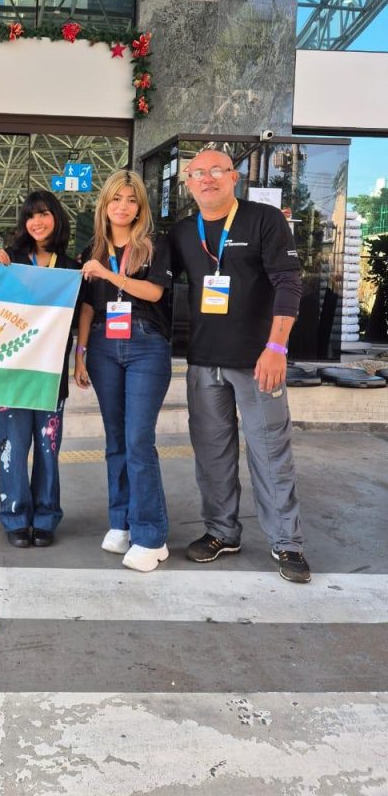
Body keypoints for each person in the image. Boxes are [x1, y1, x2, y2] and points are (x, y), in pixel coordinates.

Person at [169, 146, 310, 583]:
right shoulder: (181, 233)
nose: (207, 179)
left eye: (217, 171)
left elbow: (289, 282)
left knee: (270, 453)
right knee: (212, 455)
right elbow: (149, 277)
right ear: (188, 183)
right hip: (202, 362)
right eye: (198, 173)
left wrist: (277, 348)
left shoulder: (263, 221)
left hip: (257, 360)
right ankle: (221, 531)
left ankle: (286, 542)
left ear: (235, 177)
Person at [75, 169, 173, 572]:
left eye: (131, 200)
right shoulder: (92, 248)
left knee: (138, 440)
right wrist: (80, 353)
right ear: (105, 204)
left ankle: (151, 535)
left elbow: (154, 292)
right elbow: (87, 306)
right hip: (101, 346)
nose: (123, 206)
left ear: (140, 207)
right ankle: (121, 521)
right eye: (117, 198)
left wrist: (111, 274)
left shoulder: (153, 246)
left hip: (146, 344)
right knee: (115, 439)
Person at [0, 191, 79, 548]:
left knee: (47, 447)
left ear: (56, 218)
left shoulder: (71, 268)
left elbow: (79, 319)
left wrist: (82, 358)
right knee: (11, 445)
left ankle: (45, 516)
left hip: (50, 373)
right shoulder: (9, 260)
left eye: (43, 214)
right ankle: (14, 516)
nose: (37, 222)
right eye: (30, 216)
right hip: (10, 371)